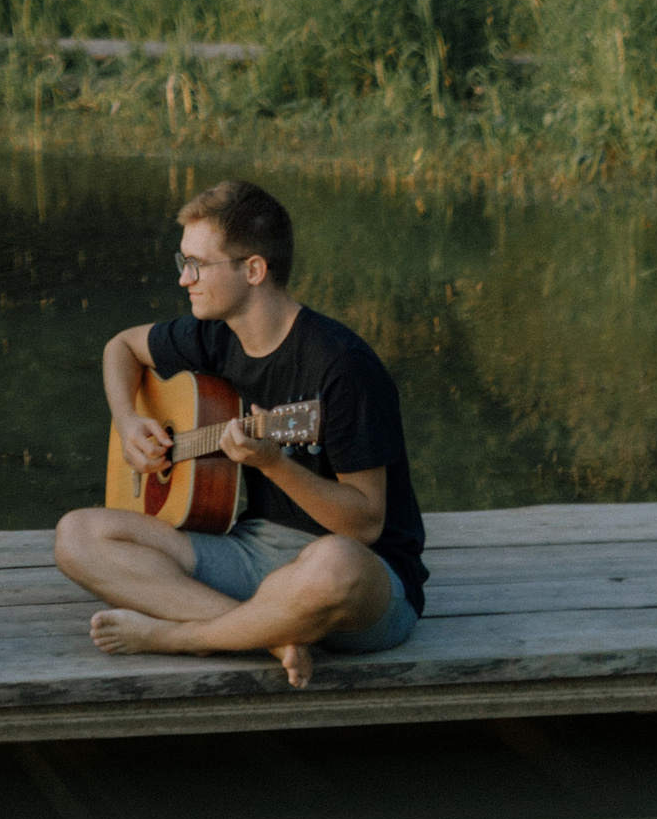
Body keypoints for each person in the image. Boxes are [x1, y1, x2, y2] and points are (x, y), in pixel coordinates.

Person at [52, 176, 425, 691]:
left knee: (333, 565)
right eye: (182, 262)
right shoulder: (213, 335)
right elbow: (121, 347)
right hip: (255, 553)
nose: (184, 279)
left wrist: (273, 463)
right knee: (78, 536)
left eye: (197, 265)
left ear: (253, 269)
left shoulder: (343, 367)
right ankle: (271, 634)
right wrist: (128, 420)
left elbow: (363, 524)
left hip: (362, 580)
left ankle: (184, 636)